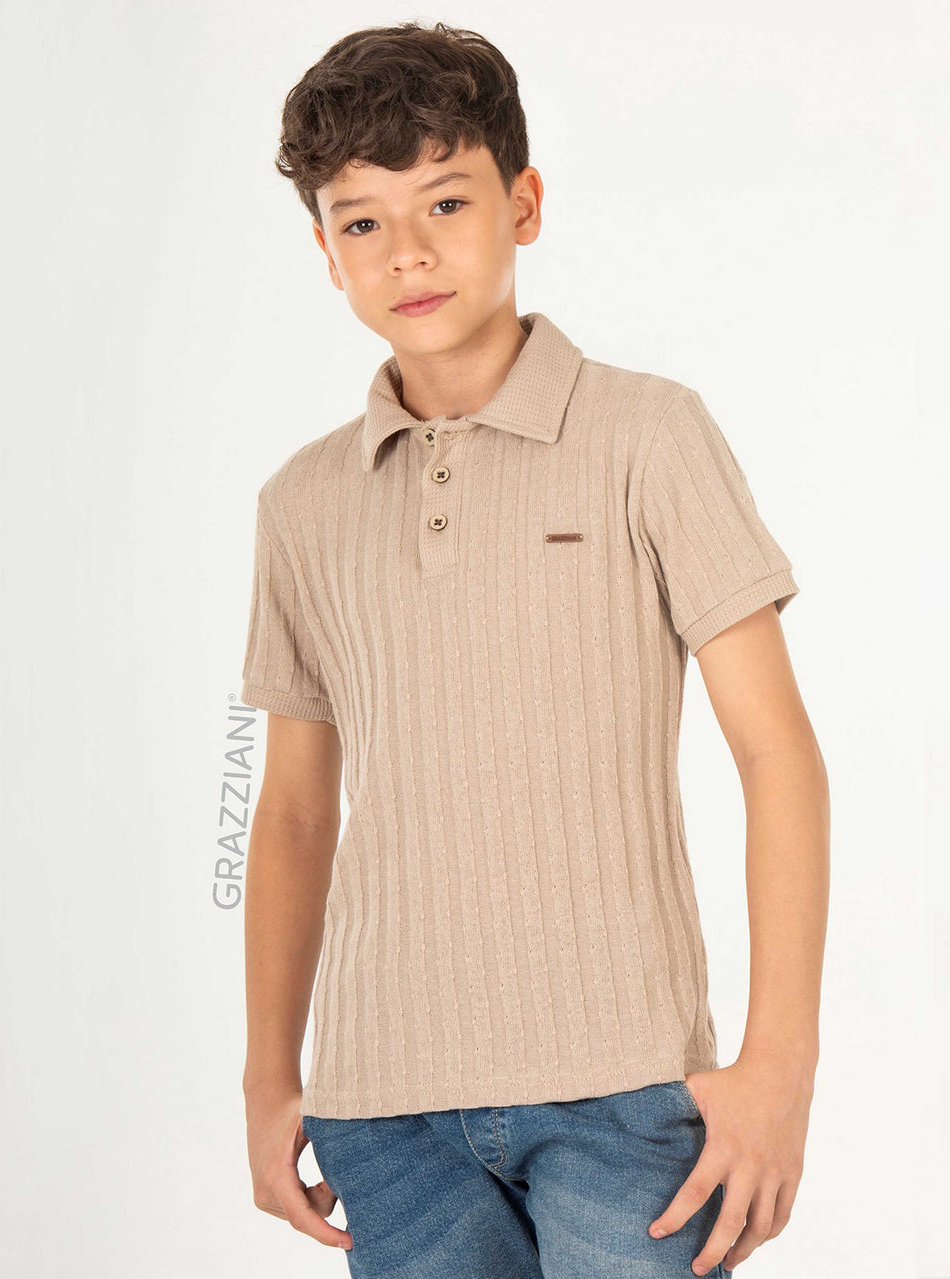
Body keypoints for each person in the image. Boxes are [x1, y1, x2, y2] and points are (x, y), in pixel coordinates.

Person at [239, 20, 829, 1279]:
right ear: (325, 252)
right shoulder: (300, 504)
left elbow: (775, 754)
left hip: (624, 1090)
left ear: (524, 204)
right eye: (362, 221)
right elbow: (287, 811)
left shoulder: (647, 435)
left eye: (445, 202)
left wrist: (778, 1063)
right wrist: (267, 1074)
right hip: (383, 1111)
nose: (407, 252)